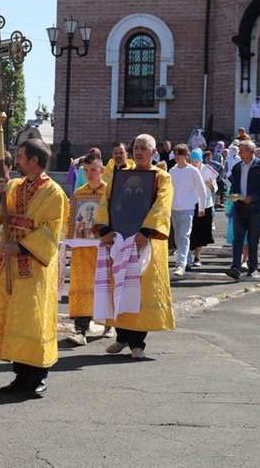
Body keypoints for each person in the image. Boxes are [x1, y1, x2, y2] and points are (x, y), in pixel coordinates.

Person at [0, 139, 67, 397]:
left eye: (20, 156)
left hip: (34, 266)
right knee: (16, 320)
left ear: (34, 161)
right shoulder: (13, 186)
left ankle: (37, 377)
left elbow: (51, 232)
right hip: (11, 265)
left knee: (33, 320)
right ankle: (21, 376)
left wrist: (20, 247)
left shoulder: (54, 193)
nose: (15, 161)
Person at [95, 133, 175, 359]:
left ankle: (137, 342)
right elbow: (106, 201)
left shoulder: (161, 177)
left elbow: (162, 206)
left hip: (145, 242)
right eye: (136, 148)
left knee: (140, 291)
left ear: (153, 152)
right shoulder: (120, 177)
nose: (139, 151)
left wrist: (145, 232)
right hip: (120, 239)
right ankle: (121, 337)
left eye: (143, 148)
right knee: (119, 285)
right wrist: (104, 230)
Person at [65, 153, 113, 346]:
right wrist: (69, 238)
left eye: (93, 170)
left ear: (101, 170)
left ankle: (108, 325)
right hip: (83, 249)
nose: (90, 174)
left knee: (106, 284)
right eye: (86, 170)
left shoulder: (109, 192)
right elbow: (72, 219)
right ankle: (81, 331)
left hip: (104, 248)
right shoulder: (79, 194)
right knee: (80, 286)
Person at [225, 140, 260, 280]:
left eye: (241, 151)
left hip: (256, 209)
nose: (239, 153)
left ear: (251, 152)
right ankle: (236, 267)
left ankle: (253, 267)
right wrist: (233, 194)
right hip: (240, 208)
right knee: (237, 238)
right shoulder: (238, 167)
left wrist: (253, 197)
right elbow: (233, 184)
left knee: (253, 240)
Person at [168, 144, 207, 277]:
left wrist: (202, 207)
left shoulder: (192, 171)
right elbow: (168, 191)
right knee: (178, 238)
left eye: (178, 154)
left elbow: (201, 190)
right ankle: (188, 260)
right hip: (174, 208)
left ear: (185, 155)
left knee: (184, 236)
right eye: (175, 154)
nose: (176, 156)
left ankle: (180, 265)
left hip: (188, 208)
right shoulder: (172, 171)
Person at [188, 149, 217, 266]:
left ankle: (197, 257)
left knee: (200, 231)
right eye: (192, 161)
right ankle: (188, 256)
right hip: (190, 204)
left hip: (205, 204)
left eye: (196, 161)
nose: (194, 163)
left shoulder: (207, 170)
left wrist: (210, 186)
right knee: (190, 231)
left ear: (200, 161)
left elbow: (216, 189)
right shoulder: (188, 170)